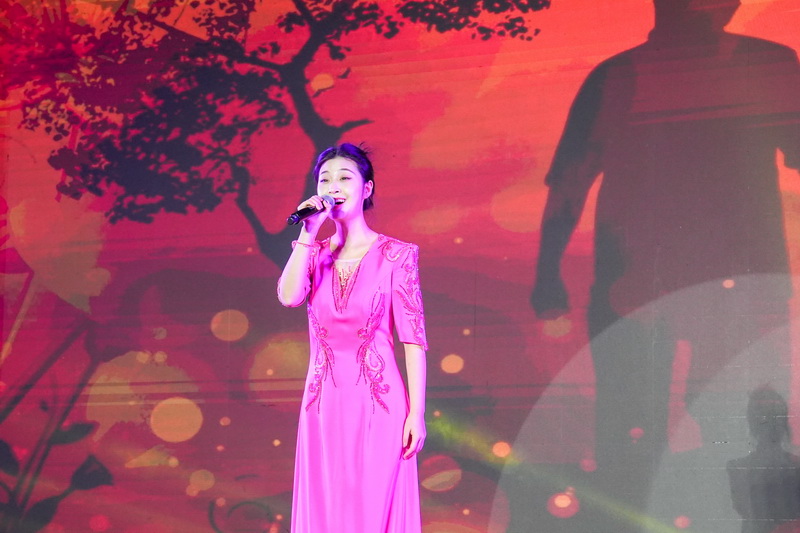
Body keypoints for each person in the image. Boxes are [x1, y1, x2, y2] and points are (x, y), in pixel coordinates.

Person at [531, 0, 800, 529]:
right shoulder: (760, 63)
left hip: (667, 283)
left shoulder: (619, 75)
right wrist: (546, 273)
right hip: (674, 282)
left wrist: (548, 273)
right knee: (683, 424)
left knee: (678, 425)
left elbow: (569, 184)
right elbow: (570, 183)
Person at [277, 143, 428, 532]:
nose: (333, 186)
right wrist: (309, 232)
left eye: (344, 178)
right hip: (322, 406)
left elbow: (413, 340)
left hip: (379, 404)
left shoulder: (397, 255)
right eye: (324, 180)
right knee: (327, 510)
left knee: (369, 509)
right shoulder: (313, 253)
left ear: (366, 188)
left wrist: (416, 413)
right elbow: (289, 296)